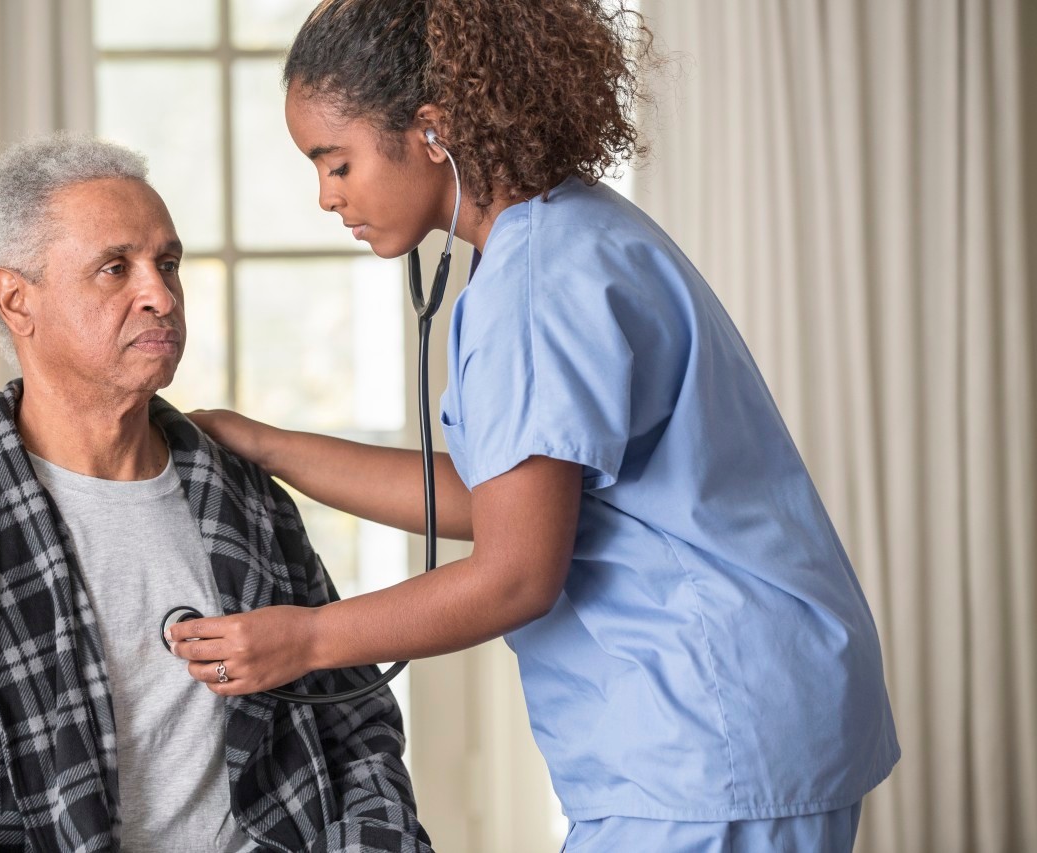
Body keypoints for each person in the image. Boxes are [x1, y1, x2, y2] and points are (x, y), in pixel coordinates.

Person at [166, 1, 900, 850]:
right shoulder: (571, 230)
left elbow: (517, 571)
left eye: (337, 162)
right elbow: (500, 496)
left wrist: (308, 639)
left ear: (432, 131)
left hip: (705, 742)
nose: (327, 197)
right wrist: (268, 445)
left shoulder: (532, 284)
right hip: (750, 714)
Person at [0, 132, 432, 853]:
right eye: (115, 268)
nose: (160, 296)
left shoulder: (242, 495)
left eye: (167, 263)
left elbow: (357, 726)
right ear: (17, 300)